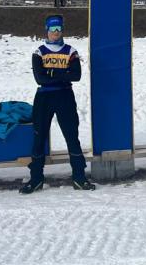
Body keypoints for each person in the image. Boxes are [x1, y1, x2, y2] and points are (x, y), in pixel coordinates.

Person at [20, 14, 94, 193]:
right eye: (53, 29)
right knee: (39, 137)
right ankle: (36, 179)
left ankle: (79, 177)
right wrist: (62, 74)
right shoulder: (39, 52)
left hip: (65, 97)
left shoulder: (71, 51)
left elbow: (76, 76)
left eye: (59, 29)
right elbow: (40, 78)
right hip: (44, 98)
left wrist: (51, 73)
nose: (56, 32)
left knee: (71, 136)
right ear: (47, 30)